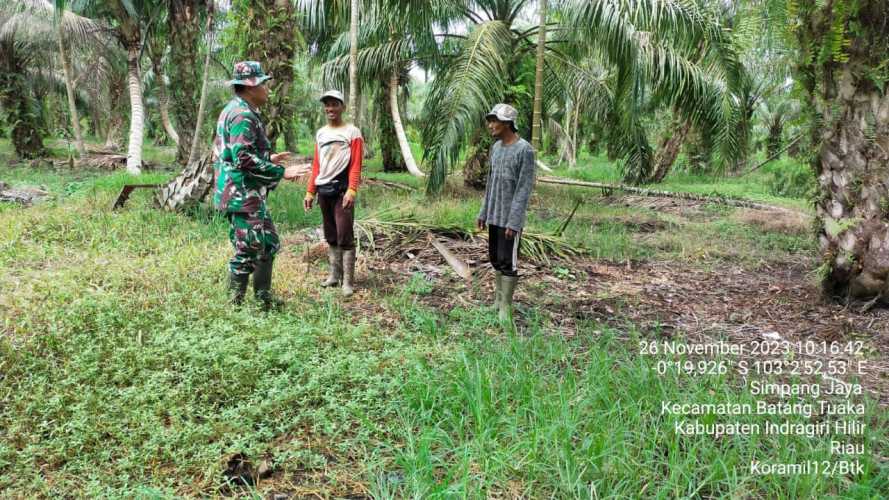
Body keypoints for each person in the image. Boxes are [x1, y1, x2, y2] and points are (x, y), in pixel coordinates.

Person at [212, 61, 300, 309]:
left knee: (268, 242)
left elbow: (235, 152)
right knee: (247, 250)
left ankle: (263, 299)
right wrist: (282, 172)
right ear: (251, 86)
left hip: (247, 193)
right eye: (264, 84)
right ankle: (234, 307)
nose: (267, 89)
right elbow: (242, 158)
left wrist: (268, 158)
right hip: (241, 194)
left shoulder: (239, 109)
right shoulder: (242, 114)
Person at [476, 103, 537, 321]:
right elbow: (490, 183)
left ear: (507, 123)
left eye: (495, 121)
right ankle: (497, 302)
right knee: (495, 258)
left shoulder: (525, 150)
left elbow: (523, 188)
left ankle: (506, 308)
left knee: (508, 261)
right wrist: (483, 212)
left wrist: (514, 221)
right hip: (494, 214)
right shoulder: (496, 149)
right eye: (490, 121)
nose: (491, 125)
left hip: (511, 218)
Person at [303, 90, 364, 297]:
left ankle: (348, 281)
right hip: (324, 190)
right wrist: (310, 192)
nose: (330, 108)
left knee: (344, 234)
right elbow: (317, 164)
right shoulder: (321, 133)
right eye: (327, 105)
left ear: (342, 107)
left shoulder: (352, 132)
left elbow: (356, 164)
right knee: (330, 235)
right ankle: (334, 276)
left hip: (342, 191)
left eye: (334, 104)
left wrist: (352, 189)